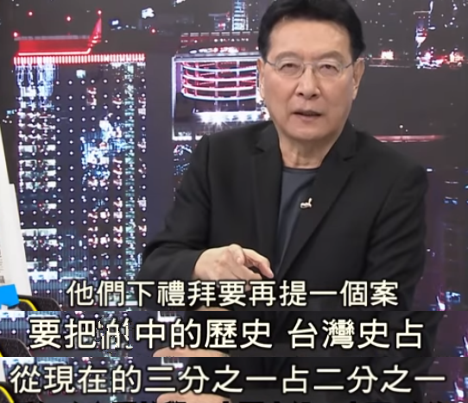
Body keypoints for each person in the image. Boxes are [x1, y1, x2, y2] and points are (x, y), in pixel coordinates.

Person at [137, 0, 442, 402]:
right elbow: (152, 280)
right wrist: (201, 266)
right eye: (289, 66)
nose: (308, 87)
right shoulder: (218, 158)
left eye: (328, 67)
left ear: (356, 77)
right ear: (261, 75)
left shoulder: (393, 182)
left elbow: (392, 356)